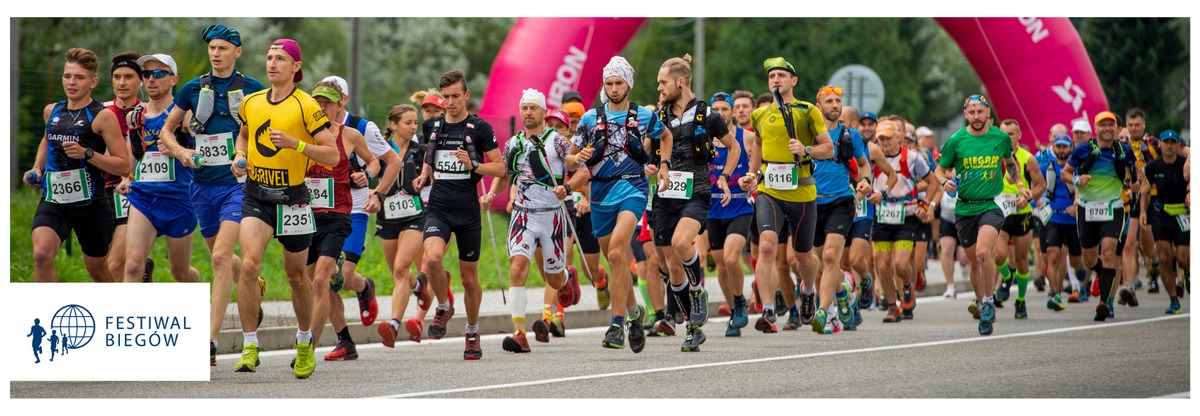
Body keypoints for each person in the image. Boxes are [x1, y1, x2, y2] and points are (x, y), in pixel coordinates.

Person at [230, 38, 342, 378]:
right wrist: (240, 156)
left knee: (296, 276)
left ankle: (305, 342)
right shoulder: (251, 101)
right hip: (256, 196)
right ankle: (250, 345)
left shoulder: (306, 105)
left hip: (293, 198)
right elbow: (244, 135)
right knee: (249, 265)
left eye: (280, 58)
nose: (272, 63)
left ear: (296, 66)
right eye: (269, 57)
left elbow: (332, 154)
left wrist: (297, 144)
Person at [156, 24, 267, 365]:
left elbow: (266, 132)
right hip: (201, 186)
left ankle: (210, 342)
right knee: (223, 258)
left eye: (223, 48)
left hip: (237, 186)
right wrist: (180, 152)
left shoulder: (253, 90)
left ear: (237, 52)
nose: (216, 53)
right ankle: (253, 281)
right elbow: (166, 131)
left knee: (220, 258)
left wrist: (248, 157)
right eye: (212, 48)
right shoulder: (193, 88)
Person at [568, 56, 665, 352]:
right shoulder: (590, 119)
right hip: (600, 193)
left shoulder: (643, 116)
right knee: (615, 261)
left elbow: (666, 136)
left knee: (616, 251)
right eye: (609, 83)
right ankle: (635, 314)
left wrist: (662, 165)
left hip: (633, 188)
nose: (613, 88)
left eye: (618, 83)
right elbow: (570, 160)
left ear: (628, 84)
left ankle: (616, 323)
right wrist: (578, 158)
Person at [410, 69, 504, 360]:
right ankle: (443, 306)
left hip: (467, 211)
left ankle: (472, 331)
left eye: (455, 96)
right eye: (446, 97)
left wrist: (473, 165)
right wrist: (425, 173)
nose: (450, 102)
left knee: (469, 279)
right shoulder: (432, 125)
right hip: (439, 207)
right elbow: (431, 155)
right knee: (432, 259)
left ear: (466, 95)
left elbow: (500, 168)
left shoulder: (480, 128)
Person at [478, 88, 578, 353]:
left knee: (553, 279)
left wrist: (568, 186)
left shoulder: (557, 140)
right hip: (522, 215)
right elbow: (504, 174)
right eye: (524, 108)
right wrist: (491, 194)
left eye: (533, 108)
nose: (528, 112)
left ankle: (566, 278)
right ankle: (519, 332)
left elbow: (577, 168)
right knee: (517, 268)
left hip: (552, 216)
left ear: (544, 112)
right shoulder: (513, 143)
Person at [309, 76, 400, 361]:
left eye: (329, 100)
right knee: (322, 278)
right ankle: (344, 340)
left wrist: (376, 191)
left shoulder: (361, 129)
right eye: (318, 100)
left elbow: (392, 161)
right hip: (316, 210)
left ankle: (363, 286)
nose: (323, 105)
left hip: (355, 208)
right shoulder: (308, 127)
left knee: (342, 277)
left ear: (343, 101)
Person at [739, 57, 833, 332]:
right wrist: (752, 174)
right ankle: (768, 308)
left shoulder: (808, 111)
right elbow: (758, 145)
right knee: (767, 245)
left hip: (801, 191)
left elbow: (828, 148)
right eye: (772, 76)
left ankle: (808, 290)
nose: (776, 80)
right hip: (769, 190)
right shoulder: (760, 115)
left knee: (803, 256)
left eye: (781, 75)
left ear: (793, 80)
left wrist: (806, 150)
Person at [652, 56, 739, 351]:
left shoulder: (708, 115)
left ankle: (699, 290)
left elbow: (734, 147)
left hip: (697, 190)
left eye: (663, 82)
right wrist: (648, 165)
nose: (659, 88)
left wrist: (725, 177)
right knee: (671, 267)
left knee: (681, 242)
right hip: (665, 193)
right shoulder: (659, 117)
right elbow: (647, 150)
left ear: (680, 82)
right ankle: (692, 327)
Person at [24, 47, 131, 283]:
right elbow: (47, 139)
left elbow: (124, 166)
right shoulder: (52, 111)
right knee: (41, 255)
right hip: (54, 200)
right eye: (67, 76)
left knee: (98, 271)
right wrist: (37, 168)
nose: (71, 82)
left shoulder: (102, 116)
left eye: (79, 77)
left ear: (93, 82)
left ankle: (116, 305)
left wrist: (87, 153)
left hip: (91, 206)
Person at [933, 94, 1026, 336]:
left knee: (984, 252)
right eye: (972, 112)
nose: (976, 116)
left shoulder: (1000, 138)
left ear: (987, 113)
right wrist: (943, 182)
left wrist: (1018, 184)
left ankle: (987, 302)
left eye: (980, 111)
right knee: (974, 263)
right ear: (966, 114)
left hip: (991, 204)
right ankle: (983, 300)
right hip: (964, 208)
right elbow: (940, 169)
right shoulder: (956, 140)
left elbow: (1010, 162)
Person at [811, 85, 893, 332]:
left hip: (842, 201)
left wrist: (865, 181)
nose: (835, 105)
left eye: (838, 101)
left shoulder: (851, 135)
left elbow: (864, 165)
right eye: (829, 102)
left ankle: (824, 313)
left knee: (830, 256)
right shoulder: (808, 134)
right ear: (818, 107)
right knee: (820, 263)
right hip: (813, 203)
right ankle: (843, 294)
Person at [120, 54, 200, 285]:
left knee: (181, 273)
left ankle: (199, 300)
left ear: (174, 79)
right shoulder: (135, 116)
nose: (151, 79)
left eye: (158, 74)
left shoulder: (186, 114)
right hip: (144, 197)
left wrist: (178, 150)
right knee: (133, 265)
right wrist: (126, 177)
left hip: (179, 198)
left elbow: (203, 153)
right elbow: (134, 154)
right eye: (146, 74)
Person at [1059, 111, 1137, 322]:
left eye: (1111, 125)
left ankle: (1104, 304)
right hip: (1087, 208)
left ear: (1117, 128)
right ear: (1096, 128)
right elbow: (1065, 173)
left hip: (1114, 207)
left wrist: (1135, 186)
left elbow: (1137, 176)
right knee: (1089, 259)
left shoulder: (1123, 150)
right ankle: (1101, 273)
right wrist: (1077, 180)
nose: (1107, 129)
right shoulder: (1083, 149)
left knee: (1110, 253)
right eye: (1103, 125)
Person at [375, 104, 443, 346]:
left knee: (401, 266)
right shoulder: (382, 150)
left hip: (415, 216)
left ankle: (393, 325)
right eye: (408, 122)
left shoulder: (422, 151)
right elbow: (370, 172)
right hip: (387, 217)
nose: (414, 127)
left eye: (415, 122)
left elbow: (434, 177)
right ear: (393, 125)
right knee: (399, 273)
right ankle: (418, 286)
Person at [870, 120, 937, 323]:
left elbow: (933, 182)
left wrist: (925, 204)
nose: (885, 142)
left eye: (888, 138)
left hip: (906, 217)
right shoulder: (873, 157)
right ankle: (892, 305)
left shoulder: (913, 157)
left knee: (900, 264)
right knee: (883, 266)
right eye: (881, 139)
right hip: (882, 216)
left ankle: (907, 287)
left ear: (898, 137)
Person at [706, 91, 754, 337]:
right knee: (722, 266)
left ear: (734, 112)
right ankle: (735, 308)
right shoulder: (705, 140)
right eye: (716, 110)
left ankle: (739, 301)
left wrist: (753, 178)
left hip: (740, 206)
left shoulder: (747, 138)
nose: (720, 113)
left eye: (725, 109)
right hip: (713, 209)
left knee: (732, 259)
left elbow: (759, 166)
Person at [989, 120, 1046, 320]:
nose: (1007, 137)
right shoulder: (993, 156)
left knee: (1022, 260)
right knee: (998, 254)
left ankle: (1020, 300)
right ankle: (1006, 277)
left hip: (1022, 214)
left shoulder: (1028, 159)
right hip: (1000, 212)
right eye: (1004, 134)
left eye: (1011, 134)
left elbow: (1041, 185)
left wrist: (1028, 198)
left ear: (1019, 135)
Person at [102, 51, 144, 284]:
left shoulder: (149, 111)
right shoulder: (100, 111)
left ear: (141, 80)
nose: (122, 82)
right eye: (117, 77)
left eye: (128, 77)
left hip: (132, 192)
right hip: (100, 193)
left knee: (115, 263)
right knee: (102, 265)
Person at [1140, 129, 1188, 314]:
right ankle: (1173, 299)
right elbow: (1145, 190)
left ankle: (1188, 275)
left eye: (1172, 142)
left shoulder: (1186, 164)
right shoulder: (1153, 166)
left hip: (1183, 214)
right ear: (1159, 144)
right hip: (1161, 214)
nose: (1169, 146)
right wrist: (1143, 211)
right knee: (1164, 257)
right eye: (1165, 142)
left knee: (1182, 258)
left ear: (1178, 145)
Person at [1040, 134, 1084, 312]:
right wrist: (1036, 200)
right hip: (1054, 218)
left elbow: (1084, 188)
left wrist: (1077, 204)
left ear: (1070, 147)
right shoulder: (1047, 167)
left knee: (1075, 261)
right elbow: (1038, 185)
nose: (1061, 150)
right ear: (1053, 147)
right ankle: (1055, 294)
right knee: (1053, 256)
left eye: (1064, 146)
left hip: (1073, 219)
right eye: (1058, 146)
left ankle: (1080, 271)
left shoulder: (1077, 168)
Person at [1122, 108, 1160, 295]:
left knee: (1148, 247)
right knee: (1129, 244)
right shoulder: (1123, 146)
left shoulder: (1152, 144)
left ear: (1143, 125)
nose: (1134, 128)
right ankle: (1129, 286)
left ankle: (1154, 264)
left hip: (1152, 198)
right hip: (1132, 198)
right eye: (1130, 125)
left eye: (1137, 125)